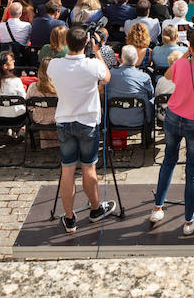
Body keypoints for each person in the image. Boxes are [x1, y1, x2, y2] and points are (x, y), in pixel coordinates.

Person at [149, 30, 194, 236]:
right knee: (192, 170)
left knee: (168, 161)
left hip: (173, 117)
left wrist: (185, 54)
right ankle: (188, 220)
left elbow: (167, 75)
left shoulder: (181, 64)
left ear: (191, 48)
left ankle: (157, 208)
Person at [46, 26, 116, 233]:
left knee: (67, 169)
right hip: (87, 121)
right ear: (85, 43)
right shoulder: (92, 65)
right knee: (88, 167)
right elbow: (107, 78)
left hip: (65, 120)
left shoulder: (55, 65)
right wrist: (96, 52)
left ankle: (69, 217)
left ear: (66, 43)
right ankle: (95, 209)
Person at [0, 52, 27, 118]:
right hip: (16, 116)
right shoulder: (16, 80)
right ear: (5, 66)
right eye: (11, 60)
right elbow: (24, 98)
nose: (14, 61)